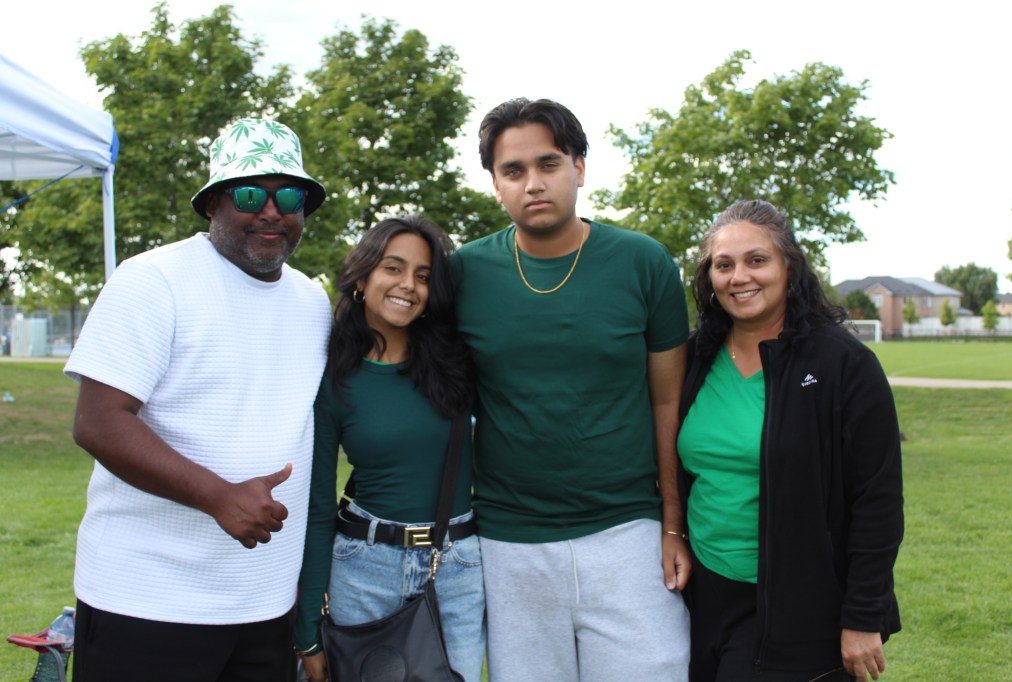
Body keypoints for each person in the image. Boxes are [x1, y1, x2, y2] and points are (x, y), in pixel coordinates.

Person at [64, 118, 333, 682]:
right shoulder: (152, 280)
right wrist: (217, 496)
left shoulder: (313, 301)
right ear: (212, 204)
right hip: (146, 602)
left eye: (289, 197)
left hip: (264, 606)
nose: (271, 211)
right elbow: (98, 421)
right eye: (250, 195)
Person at [452, 97, 691, 682]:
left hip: (628, 532)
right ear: (496, 184)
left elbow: (668, 401)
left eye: (549, 163)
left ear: (579, 168)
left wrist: (672, 524)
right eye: (513, 170)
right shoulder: (462, 274)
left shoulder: (644, 263)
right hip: (510, 541)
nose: (533, 183)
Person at [676, 200, 903, 682]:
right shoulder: (695, 357)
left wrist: (863, 615)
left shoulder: (843, 364)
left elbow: (877, 499)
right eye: (723, 264)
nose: (739, 277)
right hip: (702, 597)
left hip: (798, 606)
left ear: (789, 267)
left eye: (757, 260)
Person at [293, 216, 484, 682]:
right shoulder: (334, 378)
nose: (408, 286)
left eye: (423, 276)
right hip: (364, 567)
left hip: (456, 566)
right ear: (362, 279)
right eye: (393, 268)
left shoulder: (459, 362)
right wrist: (307, 628)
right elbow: (318, 507)